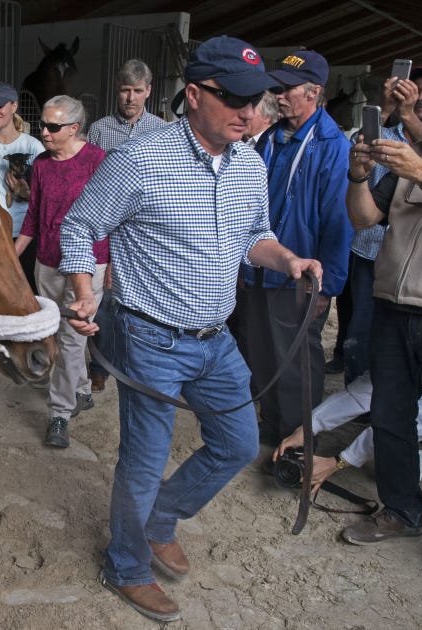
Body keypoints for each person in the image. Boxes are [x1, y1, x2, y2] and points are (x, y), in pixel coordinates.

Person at [59, 36, 321, 623]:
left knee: (237, 444)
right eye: (235, 99)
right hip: (150, 338)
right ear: (195, 95)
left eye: (256, 101)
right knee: (143, 462)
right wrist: (83, 291)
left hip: (215, 339)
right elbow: (79, 227)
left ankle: (160, 518)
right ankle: (126, 566)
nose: (249, 113)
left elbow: (254, 237)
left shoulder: (249, 164)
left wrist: (288, 260)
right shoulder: (140, 160)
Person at [340, 39, 422, 616]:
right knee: (391, 415)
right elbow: (365, 218)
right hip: (395, 304)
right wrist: (358, 175)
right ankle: (400, 510)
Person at [236, 50, 353, 445]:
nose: (279, 95)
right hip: (260, 268)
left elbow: (339, 221)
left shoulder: (331, 146)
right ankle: (273, 429)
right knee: (263, 355)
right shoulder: (271, 139)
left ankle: (297, 442)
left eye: (287, 89)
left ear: (313, 93)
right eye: (278, 87)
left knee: (296, 362)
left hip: (299, 277)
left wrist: (328, 286)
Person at [339, 64, 422, 384]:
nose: (421, 97)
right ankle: (357, 395)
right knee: (361, 329)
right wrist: (384, 108)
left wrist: (408, 114)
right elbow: (356, 153)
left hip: (417, 259)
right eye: (416, 89)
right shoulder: (385, 133)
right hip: (369, 247)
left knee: (405, 337)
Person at [14, 95, 107, 448]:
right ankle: (82, 389)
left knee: (71, 339)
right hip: (48, 261)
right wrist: (13, 255)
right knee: (58, 334)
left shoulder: (97, 160)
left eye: (53, 127)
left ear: (73, 129)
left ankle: (59, 413)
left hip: (90, 263)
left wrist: (112, 265)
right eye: (43, 124)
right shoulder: (40, 164)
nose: (44, 132)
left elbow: (111, 218)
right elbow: (34, 216)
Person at [85, 59, 167, 394]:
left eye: (137, 91)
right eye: (124, 90)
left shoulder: (162, 130)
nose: (130, 98)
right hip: (108, 227)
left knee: (144, 298)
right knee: (105, 301)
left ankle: (139, 362)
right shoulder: (100, 130)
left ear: (148, 91)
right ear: (116, 91)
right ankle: (99, 365)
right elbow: (91, 183)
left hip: (148, 231)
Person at [0, 82, 44, 384]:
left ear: (14, 106)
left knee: (29, 293)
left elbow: (45, 195)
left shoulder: (33, 147)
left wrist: (27, 193)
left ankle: (32, 355)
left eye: (0, 105)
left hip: (26, 233)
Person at [273, 372, 422, 492]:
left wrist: (340, 461)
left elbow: (415, 421)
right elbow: (370, 387)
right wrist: (309, 427)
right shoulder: (401, 337)